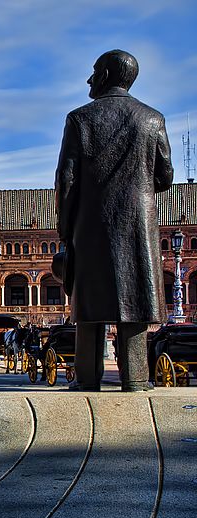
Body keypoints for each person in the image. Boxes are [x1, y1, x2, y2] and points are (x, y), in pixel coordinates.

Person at [55, 49, 173, 392]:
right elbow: (165, 177)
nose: (89, 79)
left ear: (105, 75)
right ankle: (136, 378)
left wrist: (65, 228)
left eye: (93, 72)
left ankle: (87, 379)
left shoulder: (79, 119)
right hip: (137, 224)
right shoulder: (153, 119)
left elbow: (66, 180)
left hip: (90, 228)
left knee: (89, 308)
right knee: (134, 301)